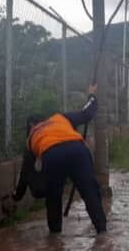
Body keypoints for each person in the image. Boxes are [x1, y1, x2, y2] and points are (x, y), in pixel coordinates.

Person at [12, 84, 107, 234]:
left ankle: (55, 237)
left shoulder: (31, 137)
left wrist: (15, 197)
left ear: (30, 125)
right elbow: (86, 113)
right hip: (78, 150)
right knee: (90, 192)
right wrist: (92, 95)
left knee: (53, 197)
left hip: (52, 155)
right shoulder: (60, 118)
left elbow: (25, 174)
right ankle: (103, 232)